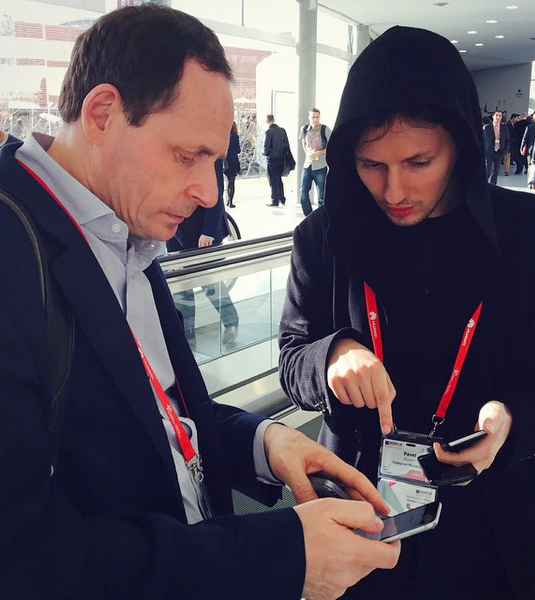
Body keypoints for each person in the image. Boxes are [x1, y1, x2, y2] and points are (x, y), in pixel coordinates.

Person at [0, 6, 400, 599]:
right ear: (102, 114)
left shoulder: (123, 231)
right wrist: (275, 557)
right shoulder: (16, 252)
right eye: (188, 155)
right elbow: (22, 557)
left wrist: (263, 443)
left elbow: (156, 413)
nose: (209, 192)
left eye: (216, 159)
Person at [278, 25, 535, 600]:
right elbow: (291, 357)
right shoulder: (323, 239)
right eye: (370, 165)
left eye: (419, 162)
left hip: (492, 513)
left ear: (461, 145)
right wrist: (332, 356)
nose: (393, 190)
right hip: (360, 502)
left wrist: (516, 419)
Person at [167, 159, 240, 346]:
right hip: (174, 228)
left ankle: (231, 321)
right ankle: (187, 336)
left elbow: (215, 193)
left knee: (209, 282)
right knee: (181, 284)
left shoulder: (206, 152)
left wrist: (208, 231)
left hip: (201, 231)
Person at [299, 107, 331, 216]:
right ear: (309, 117)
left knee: (321, 196)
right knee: (303, 193)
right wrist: (308, 154)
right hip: (307, 165)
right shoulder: (304, 129)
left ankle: (321, 218)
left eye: (317, 117)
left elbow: (332, 146)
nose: (315, 119)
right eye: (313, 117)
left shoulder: (325, 129)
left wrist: (319, 153)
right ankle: (309, 217)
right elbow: (303, 142)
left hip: (320, 166)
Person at [263, 113, 290, 207]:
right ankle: (282, 198)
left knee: (273, 179)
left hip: (272, 159)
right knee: (279, 178)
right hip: (281, 158)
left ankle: (274, 199)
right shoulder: (282, 130)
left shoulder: (269, 131)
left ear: (267, 120)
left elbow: (266, 146)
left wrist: (265, 153)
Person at [483, 110, 510, 184]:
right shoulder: (486, 127)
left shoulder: (504, 127)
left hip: (499, 151)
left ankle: (493, 186)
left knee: (496, 172)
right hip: (489, 152)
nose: (498, 117)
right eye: (496, 115)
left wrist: (505, 150)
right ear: (493, 117)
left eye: (500, 116)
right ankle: (483, 185)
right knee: (487, 171)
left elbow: (507, 140)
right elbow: (482, 140)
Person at [224, 121, 241, 207]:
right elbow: (238, 150)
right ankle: (230, 201)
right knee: (231, 182)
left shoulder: (224, 136)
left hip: (225, 161)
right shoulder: (235, 137)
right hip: (233, 161)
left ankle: (226, 200)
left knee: (226, 181)